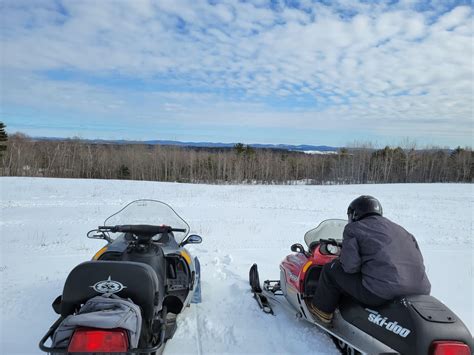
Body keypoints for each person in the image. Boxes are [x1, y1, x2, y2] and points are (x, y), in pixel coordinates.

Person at [308, 195, 431, 324]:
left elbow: (350, 267)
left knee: (331, 268)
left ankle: (321, 311)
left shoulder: (354, 229)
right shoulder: (403, 230)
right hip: (420, 291)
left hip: (382, 292)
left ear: (354, 214)